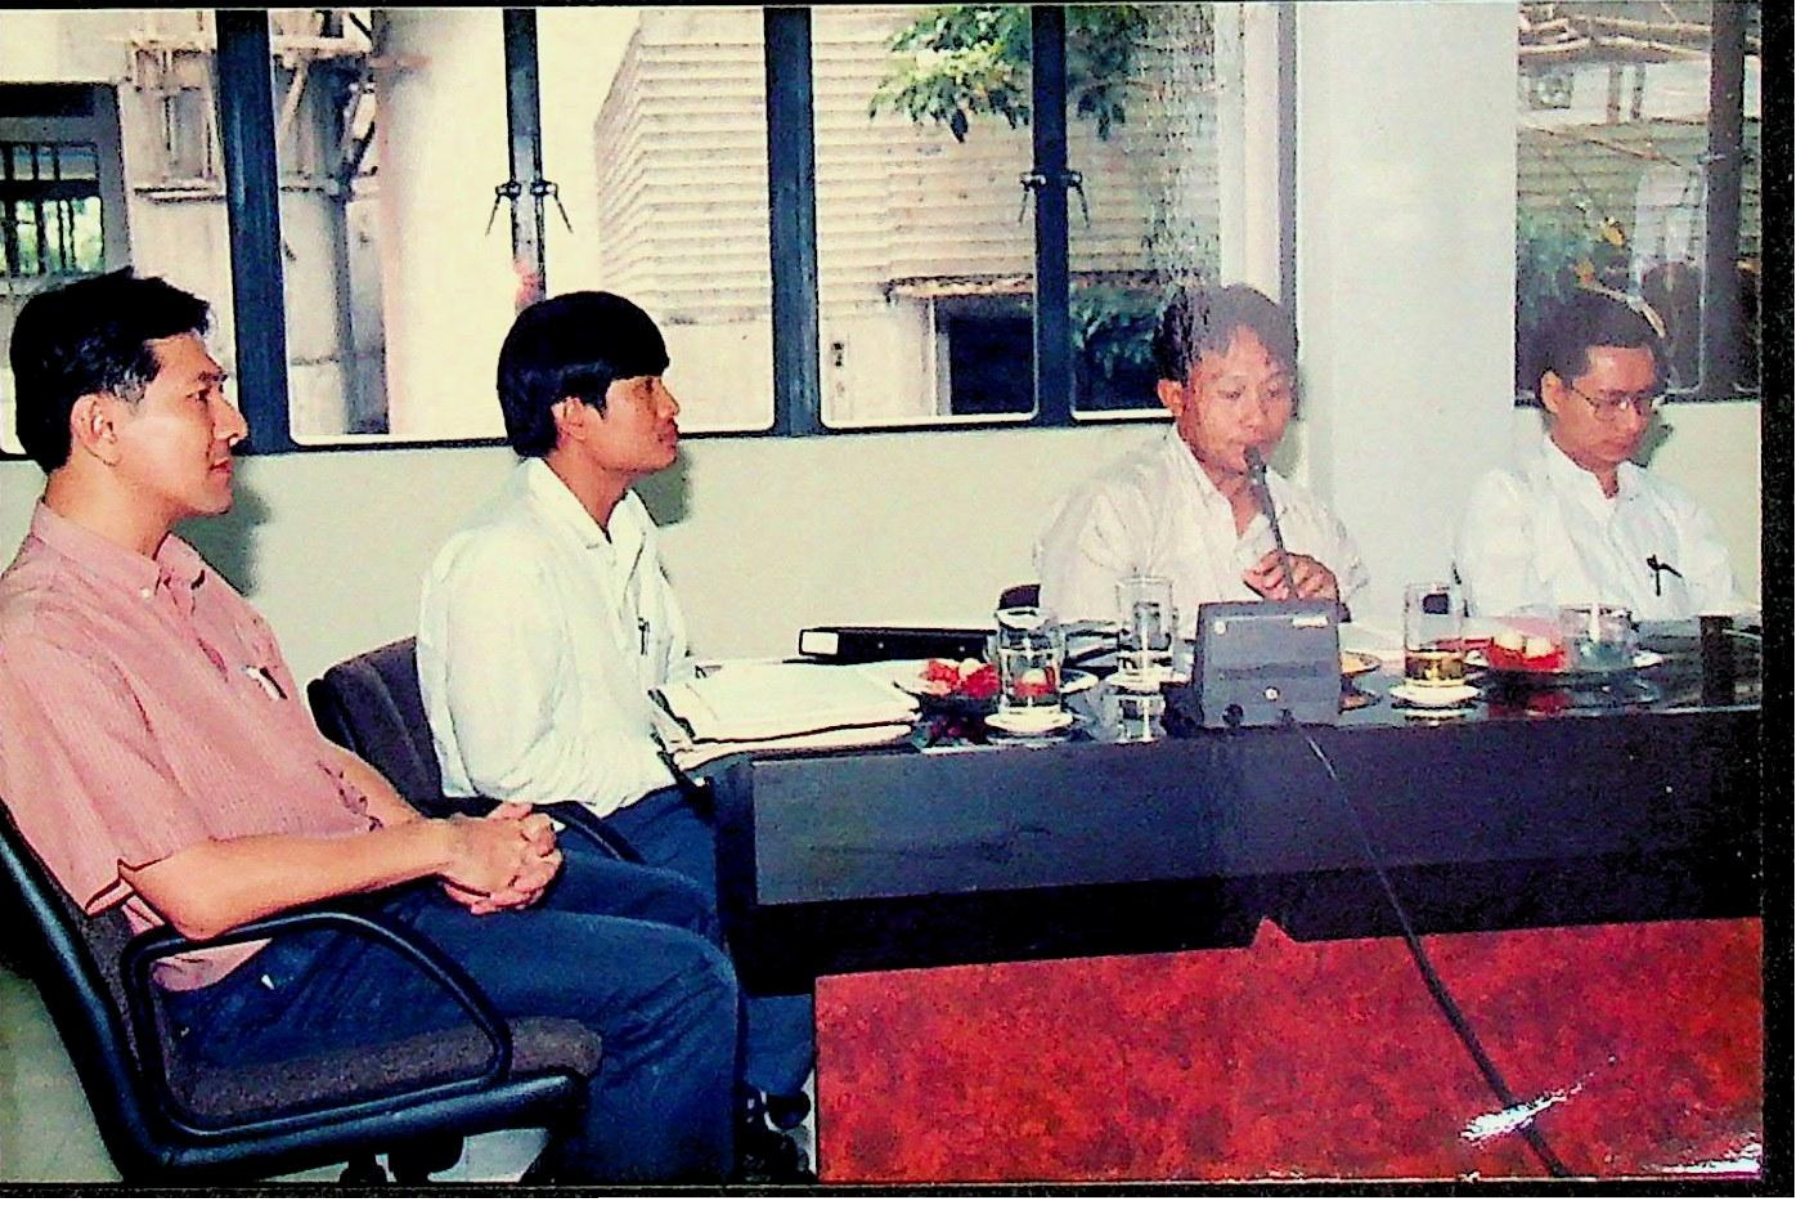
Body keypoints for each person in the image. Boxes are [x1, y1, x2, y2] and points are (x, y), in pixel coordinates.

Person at [0, 269, 748, 1185]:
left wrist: (449, 850)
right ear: (101, 427)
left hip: (347, 917)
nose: (233, 423)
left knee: (676, 904)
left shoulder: (180, 580)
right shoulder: (47, 636)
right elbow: (198, 893)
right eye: (201, 395)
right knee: (678, 984)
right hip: (268, 984)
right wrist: (436, 846)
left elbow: (319, 758)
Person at [415, 291, 813, 1133]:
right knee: (787, 885)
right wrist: (681, 762)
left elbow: (663, 687)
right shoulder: (503, 557)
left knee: (815, 844)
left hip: (644, 795)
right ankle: (744, 1106)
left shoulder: (621, 525)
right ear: (573, 414)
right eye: (645, 387)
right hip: (570, 826)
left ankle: (754, 1095)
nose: (672, 406)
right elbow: (505, 766)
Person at [1037, 282, 1367, 625]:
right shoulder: (1114, 511)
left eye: (1275, 391)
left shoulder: (1315, 525)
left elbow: (1373, 647)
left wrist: (1332, 614)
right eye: (1232, 394)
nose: (1257, 417)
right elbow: (1079, 649)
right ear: (1176, 398)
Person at [1453, 290, 1748, 620]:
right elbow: (1514, 628)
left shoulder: (1674, 509)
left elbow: (1729, 621)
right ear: (1554, 393)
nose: (1632, 422)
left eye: (1643, 400)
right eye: (1610, 402)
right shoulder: (1510, 499)